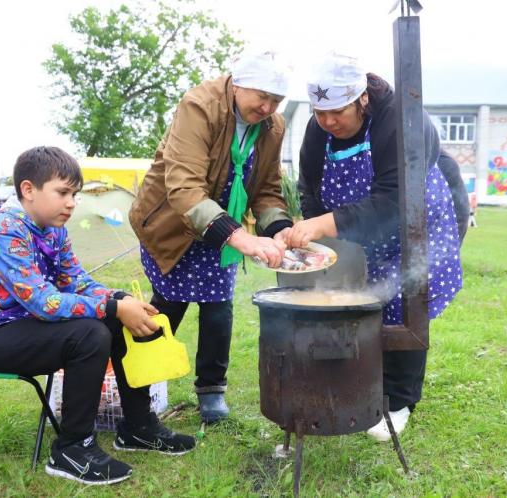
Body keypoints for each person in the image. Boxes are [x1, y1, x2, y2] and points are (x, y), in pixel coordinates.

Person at [0, 147, 195, 486]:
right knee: (90, 334)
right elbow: (42, 302)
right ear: (28, 190)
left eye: (74, 194)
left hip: (21, 327)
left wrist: (120, 300)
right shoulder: (4, 229)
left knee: (116, 318)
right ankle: (72, 448)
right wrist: (112, 307)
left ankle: (138, 427)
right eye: (63, 193)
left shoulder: (53, 229)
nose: (72, 203)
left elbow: (76, 281)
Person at [285, 54, 463, 442]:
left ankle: (399, 402)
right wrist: (319, 237)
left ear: (362, 99)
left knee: (406, 299)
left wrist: (324, 224)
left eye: (338, 112)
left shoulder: (399, 120)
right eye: (320, 113)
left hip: (414, 223)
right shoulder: (319, 130)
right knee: (360, 301)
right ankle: (363, 383)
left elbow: (395, 199)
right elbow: (309, 187)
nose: (328, 121)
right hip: (356, 232)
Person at [128, 51, 293, 423]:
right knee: (169, 303)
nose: (268, 108)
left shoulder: (273, 127)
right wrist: (240, 237)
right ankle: (142, 384)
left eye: (276, 100)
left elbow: (267, 188)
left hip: (224, 228)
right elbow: (184, 187)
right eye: (262, 97)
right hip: (174, 221)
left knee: (219, 306)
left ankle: (211, 388)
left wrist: (279, 228)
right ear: (238, 84)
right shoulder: (199, 107)